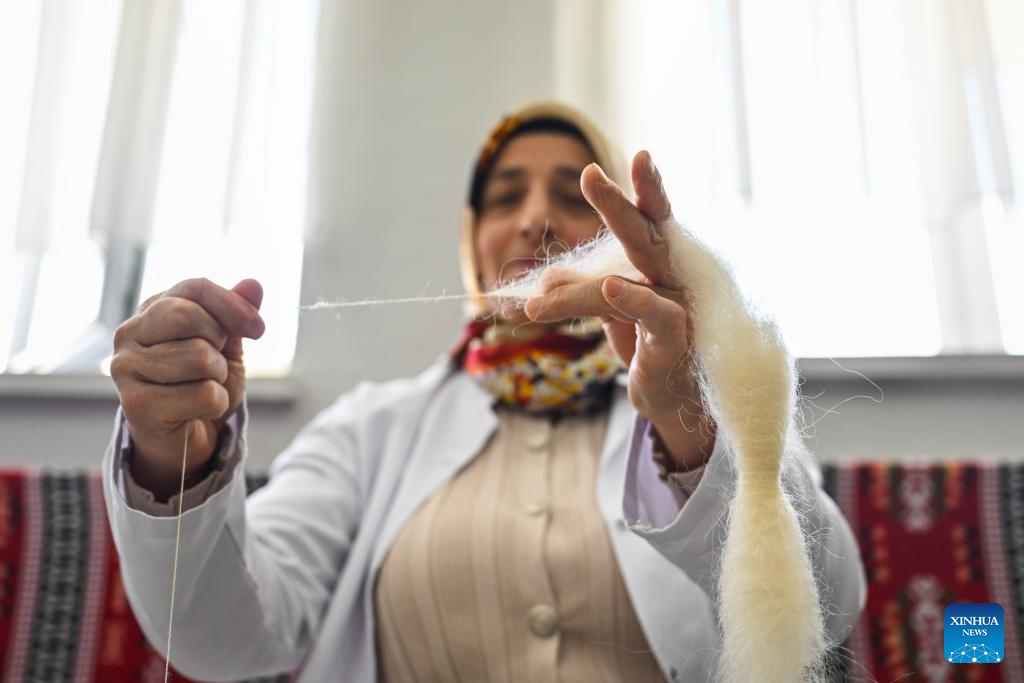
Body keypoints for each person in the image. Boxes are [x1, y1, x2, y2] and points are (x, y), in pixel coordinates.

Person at [104, 101, 865, 682]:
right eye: (507, 197)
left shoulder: (709, 404)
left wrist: (689, 418)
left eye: (574, 194)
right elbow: (221, 635)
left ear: (616, 237)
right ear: (471, 243)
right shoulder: (373, 429)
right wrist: (176, 457)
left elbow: (831, 600)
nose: (537, 217)